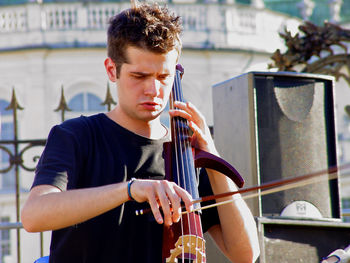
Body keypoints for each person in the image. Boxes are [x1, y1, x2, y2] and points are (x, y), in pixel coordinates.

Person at [21, 3, 260, 263]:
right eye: (139, 76)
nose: (153, 90)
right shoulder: (76, 136)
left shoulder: (185, 157)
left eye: (163, 77)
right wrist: (130, 190)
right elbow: (34, 216)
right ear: (112, 70)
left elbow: (246, 253)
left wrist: (211, 158)